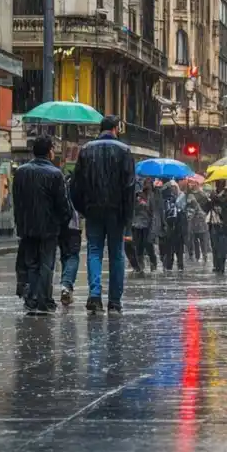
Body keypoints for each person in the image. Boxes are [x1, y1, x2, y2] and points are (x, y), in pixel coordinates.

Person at [70, 115, 136, 314]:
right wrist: (128, 216)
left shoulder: (86, 150)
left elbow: (75, 185)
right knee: (116, 254)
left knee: (94, 251)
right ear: (115, 129)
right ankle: (114, 301)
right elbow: (129, 187)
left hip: (93, 210)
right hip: (117, 211)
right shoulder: (124, 151)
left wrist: (83, 208)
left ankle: (95, 295)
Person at [12, 136, 72, 316]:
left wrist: (20, 222)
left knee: (31, 263)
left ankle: (31, 299)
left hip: (27, 226)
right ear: (49, 151)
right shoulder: (55, 174)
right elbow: (62, 203)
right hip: (48, 226)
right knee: (46, 264)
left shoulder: (21, 172)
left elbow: (17, 200)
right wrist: (63, 221)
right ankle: (44, 301)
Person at [58, 171, 84, 304]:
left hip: (60, 226)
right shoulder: (77, 188)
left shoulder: (60, 186)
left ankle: (67, 289)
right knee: (73, 256)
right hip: (73, 225)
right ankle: (66, 285)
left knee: (65, 256)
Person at [130, 179, 161, 273]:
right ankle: (140, 266)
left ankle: (153, 264)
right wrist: (138, 202)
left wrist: (146, 206)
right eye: (146, 185)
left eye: (149, 185)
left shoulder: (152, 196)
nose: (148, 187)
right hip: (137, 224)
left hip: (147, 225)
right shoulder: (138, 195)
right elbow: (133, 208)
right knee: (138, 245)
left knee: (148, 244)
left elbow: (153, 211)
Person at [159, 180, 187, 272]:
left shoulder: (182, 197)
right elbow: (164, 212)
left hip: (179, 228)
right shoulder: (166, 200)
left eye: (174, 188)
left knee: (179, 252)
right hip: (169, 228)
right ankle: (168, 268)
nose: (173, 189)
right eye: (171, 188)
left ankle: (180, 268)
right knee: (169, 251)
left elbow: (184, 210)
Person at [207, 179, 227, 274]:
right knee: (215, 247)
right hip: (214, 224)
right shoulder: (213, 194)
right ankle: (216, 265)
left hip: (225, 225)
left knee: (222, 248)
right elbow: (210, 203)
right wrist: (220, 194)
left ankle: (221, 266)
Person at [185, 181, 210, 266]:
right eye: (192, 183)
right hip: (193, 221)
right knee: (195, 240)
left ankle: (204, 255)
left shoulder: (202, 195)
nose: (193, 185)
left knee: (202, 239)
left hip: (201, 220)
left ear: (198, 184)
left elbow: (207, 206)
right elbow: (187, 207)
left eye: (194, 183)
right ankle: (197, 256)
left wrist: (204, 213)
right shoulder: (189, 194)